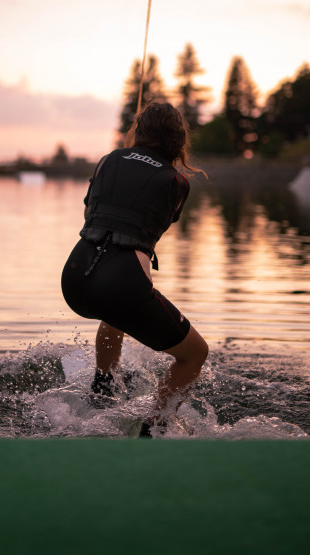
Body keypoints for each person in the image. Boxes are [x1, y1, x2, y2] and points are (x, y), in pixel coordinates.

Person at [61, 101, 208, 437]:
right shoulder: (178, 182)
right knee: (195, 353)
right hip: (120, 284)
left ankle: (103, 388)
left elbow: (91, 210)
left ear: (138, 132)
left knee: (115, 310)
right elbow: (158, 222)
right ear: (178, 141)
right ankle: (152, 429)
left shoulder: (107, 161)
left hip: (74, 276)